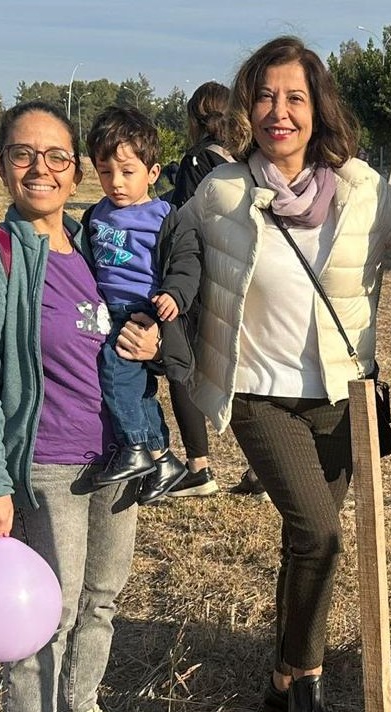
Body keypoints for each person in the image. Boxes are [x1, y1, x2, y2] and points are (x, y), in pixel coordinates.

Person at [135, 36, 391, 712]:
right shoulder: (222, 191)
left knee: (306, 542)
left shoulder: (364, 188)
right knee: (319, 532)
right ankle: (308, 684)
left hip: (341, 396)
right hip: (259, 393)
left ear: (317, 108)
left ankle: (283, 684)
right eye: (264, 96)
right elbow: (160, 247)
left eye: (294, 97)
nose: (278, 111)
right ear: (246, 107)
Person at [0, 101, 145, 712]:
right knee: (47, 616)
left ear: (76, 168)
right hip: (47, 463)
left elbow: (117, 329)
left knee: (101, 598)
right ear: (2, 164)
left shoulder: (95, 245)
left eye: (57, 155)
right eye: (24, 154)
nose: (42, 168)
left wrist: (145, 342)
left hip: (112, 459)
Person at [84, 106, 200, 504]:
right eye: (105, 172)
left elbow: (187, 263)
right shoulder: (95, 215)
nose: (115, 183)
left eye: (127, 172)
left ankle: (134, 446)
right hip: (107, 311)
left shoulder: (166, 217)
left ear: (152, 173)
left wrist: (173, 296)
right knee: (141, 391)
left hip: (142, 311)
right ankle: (164, 461)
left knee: (116, 373)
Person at [156, 82, 233, 499]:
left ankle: (198, 467)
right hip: (235, 276)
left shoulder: (197, 158)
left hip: (197, 277)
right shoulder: (241, 158)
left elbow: (184, 217)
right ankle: (259, 472)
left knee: (180, 367)